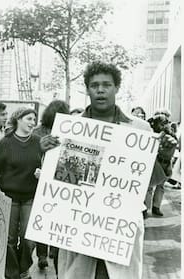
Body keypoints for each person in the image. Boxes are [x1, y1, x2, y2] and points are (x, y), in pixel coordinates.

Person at [44, 61, 176, 279]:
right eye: (94, 85)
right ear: (87, 89)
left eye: (107, 84)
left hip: (119, 228)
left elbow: (148, 180)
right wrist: (47, 154)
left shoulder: (138, 129)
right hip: (80, 224)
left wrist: (164, 157)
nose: (101, 90)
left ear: (117, 88)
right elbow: (61, 183)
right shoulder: (71, 129)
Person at [0, 108, 43, 279]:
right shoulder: (6, 142)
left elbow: (51, 166)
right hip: (9, 198)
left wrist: (43, 173)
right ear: (18, 119)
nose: (33, 122)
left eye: (35, 119)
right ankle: (12, 274)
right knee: (9, 239)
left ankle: (24, 267)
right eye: (29, 118)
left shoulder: (38, 142)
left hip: (30, 197)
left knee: (29, 239)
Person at [32, 100, 70, 273]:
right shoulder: (66, 132)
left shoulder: (37, 132)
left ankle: (42, 255)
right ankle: (53, 251)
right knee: (56, 219)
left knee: (43, 217)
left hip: (41, 181)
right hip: (58, 182)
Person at [144, 112, 177, 217]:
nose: (165, 125)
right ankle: (145, 208)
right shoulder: (152, 132)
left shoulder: (171, 134)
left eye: (166, 122)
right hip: (156, 161)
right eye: (162, 123)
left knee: (160, 186)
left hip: (166, 163)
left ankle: (156, 207)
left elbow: (175, 142)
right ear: (156, 123)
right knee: (149, 185)